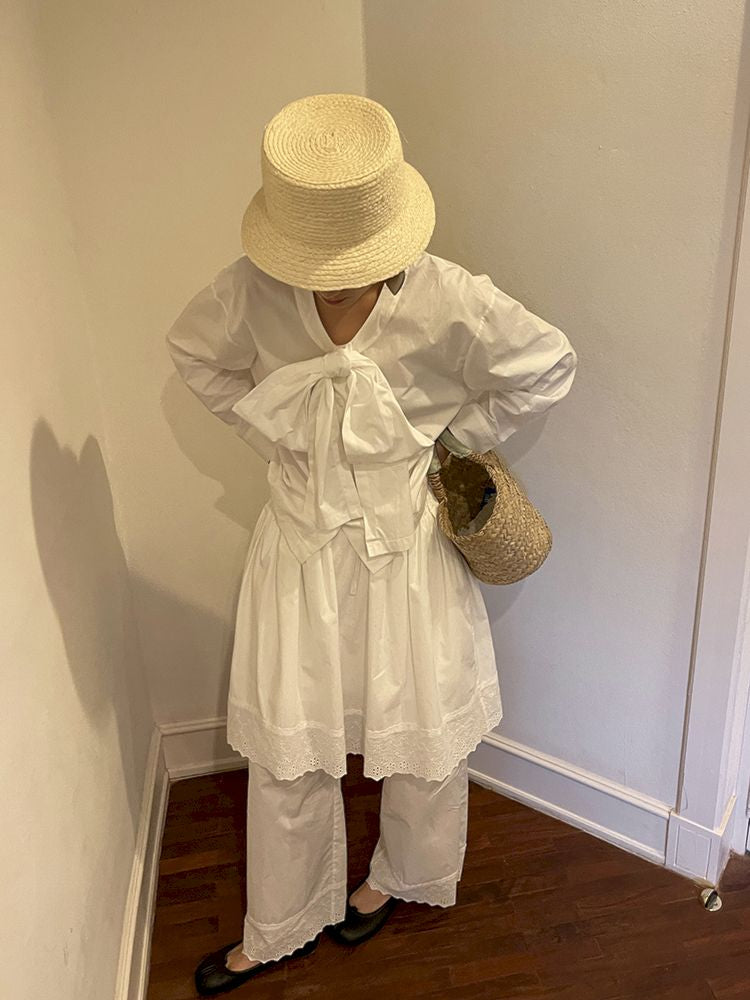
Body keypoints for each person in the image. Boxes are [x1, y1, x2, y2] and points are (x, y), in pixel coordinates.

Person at [164, 93, 577, 995]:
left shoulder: (449, 296)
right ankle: (281, 922)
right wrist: (276, 429)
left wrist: (450, 434)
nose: (330, 283)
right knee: (289, 748)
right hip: (298, 548)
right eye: (313, 264)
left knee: (423, 731)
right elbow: (195, 355)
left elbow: (548, 362)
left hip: (408, 551)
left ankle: (403, 875)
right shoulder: (248, 290)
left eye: (346, 263)